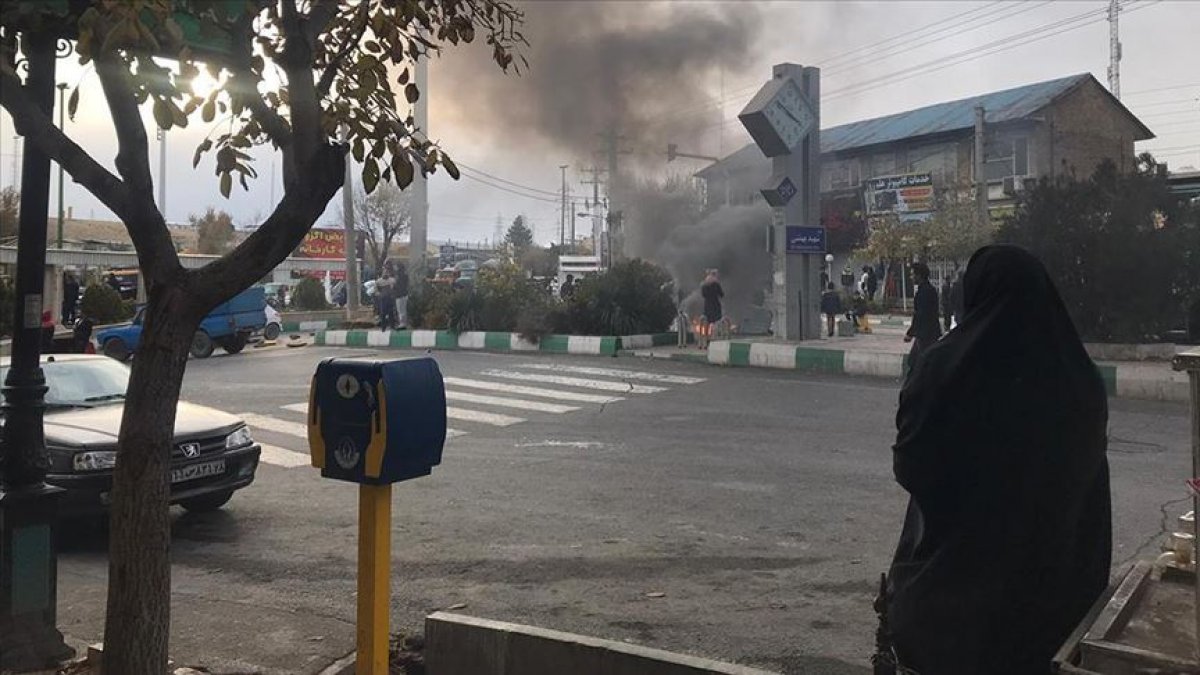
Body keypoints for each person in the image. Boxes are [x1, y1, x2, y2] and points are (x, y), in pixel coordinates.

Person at [883, 245, 1110, 675]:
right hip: (1055, 598)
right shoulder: (1078, 377)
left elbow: (910, 465)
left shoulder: (943, 368)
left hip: (952, 598)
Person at [903, 262, 941, 377]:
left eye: (912, 274)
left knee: (920, 363)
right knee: (914, 361)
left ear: (919, 275)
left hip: (925, 334)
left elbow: (920, 315)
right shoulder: (928, 290)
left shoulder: (924, 292)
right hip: (928, 332)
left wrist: (910, 333)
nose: (911, 277)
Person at [700, 270, 724, 348]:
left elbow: (703, 295)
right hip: (715, 305)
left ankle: (705, 340)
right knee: (715, 323)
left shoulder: (704, 285)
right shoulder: (716, 284)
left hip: (707, 306)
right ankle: (713, 339)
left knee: (706, 323)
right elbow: (721, 294)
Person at [393, 263, 410, 329]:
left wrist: (394, 288)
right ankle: (404, 323)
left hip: (399, 295)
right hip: (404, 294)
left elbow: (397, 285)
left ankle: (402, 323)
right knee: (403, 309)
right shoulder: (405, 275)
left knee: (400, 310)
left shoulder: (398, 275)